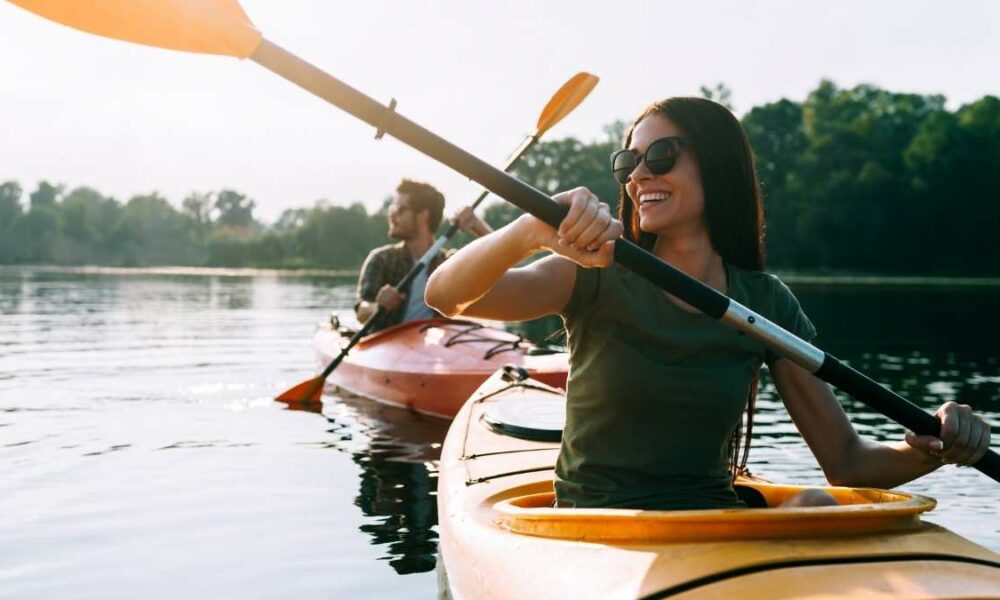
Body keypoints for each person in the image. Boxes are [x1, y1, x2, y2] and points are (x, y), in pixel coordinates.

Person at [425, 97, 992, 510]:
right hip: (594, 528)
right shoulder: (594, 271)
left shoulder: (766, 304)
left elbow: (846, 461)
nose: (640, 174)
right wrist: (529, 229)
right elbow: (445, 295)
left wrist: (935, 447)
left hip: (711, 524)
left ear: (716, 164)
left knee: (817, 503)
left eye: (663, 155)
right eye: (629, 164)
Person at [355, 179, 492, 334]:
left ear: (423, 216)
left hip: (434, 349)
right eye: (392, 208)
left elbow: (501, 263)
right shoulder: (381, 259)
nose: (392, 216)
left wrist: (476, 225)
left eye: (400, 210)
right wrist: (377, 307)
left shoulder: (450, 263)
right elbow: (361, 311)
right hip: (387, 346)